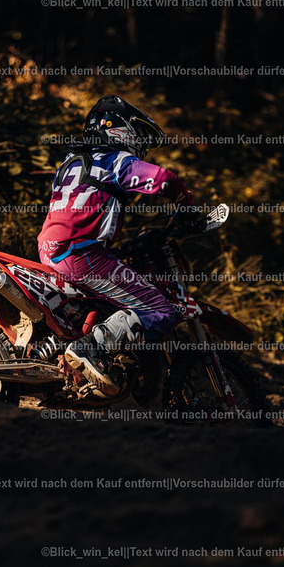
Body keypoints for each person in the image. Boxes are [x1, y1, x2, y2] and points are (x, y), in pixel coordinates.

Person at [38, 94, 194, 396]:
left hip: (51, 249)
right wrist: (186, 205)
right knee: (159, 311)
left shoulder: (71, 162)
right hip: (82, 252)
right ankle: (89, 348)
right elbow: (163, 179)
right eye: (139, 134)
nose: (141, 144)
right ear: (120, 129)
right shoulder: (115, 160)